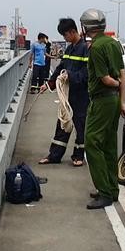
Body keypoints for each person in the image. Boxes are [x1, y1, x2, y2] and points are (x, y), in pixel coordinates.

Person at [82, 8, 125, 210]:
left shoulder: (96, 47)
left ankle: (104, 192)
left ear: (86, 27)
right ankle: (112, 189)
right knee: (109, 144)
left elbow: (107, 79)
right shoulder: (113, 43)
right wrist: (122, 100)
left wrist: (116, 85)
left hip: (101, 101)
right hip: (114, 101)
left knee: (92, 143)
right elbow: (122, 74)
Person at [38, 18, 89, 167]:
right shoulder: (69, 49)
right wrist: (48, 84)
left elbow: (86, 74)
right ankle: (54, 155)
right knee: (62, 124)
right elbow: (62, 66)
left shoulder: (85, 49)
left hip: (81, 95)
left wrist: (70, 76)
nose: (64, 38)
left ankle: (79, 156)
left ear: (73, 32)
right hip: (67, 95)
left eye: (65, 35)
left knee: (80, 126)